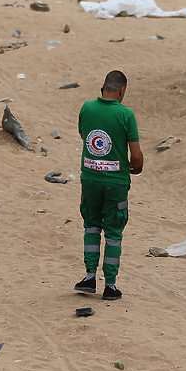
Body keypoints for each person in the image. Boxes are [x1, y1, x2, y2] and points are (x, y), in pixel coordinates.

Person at [74, 70, 143, 301]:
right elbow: (136, 155)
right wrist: (136, 167)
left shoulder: (86, 108)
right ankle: (110, 286)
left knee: (91, 226)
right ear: (122, 90)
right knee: (114, 232)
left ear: (103, 87)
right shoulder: (126, 115)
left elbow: (85, 136)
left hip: (90, 178)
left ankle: (89, 277)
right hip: (116, 182)